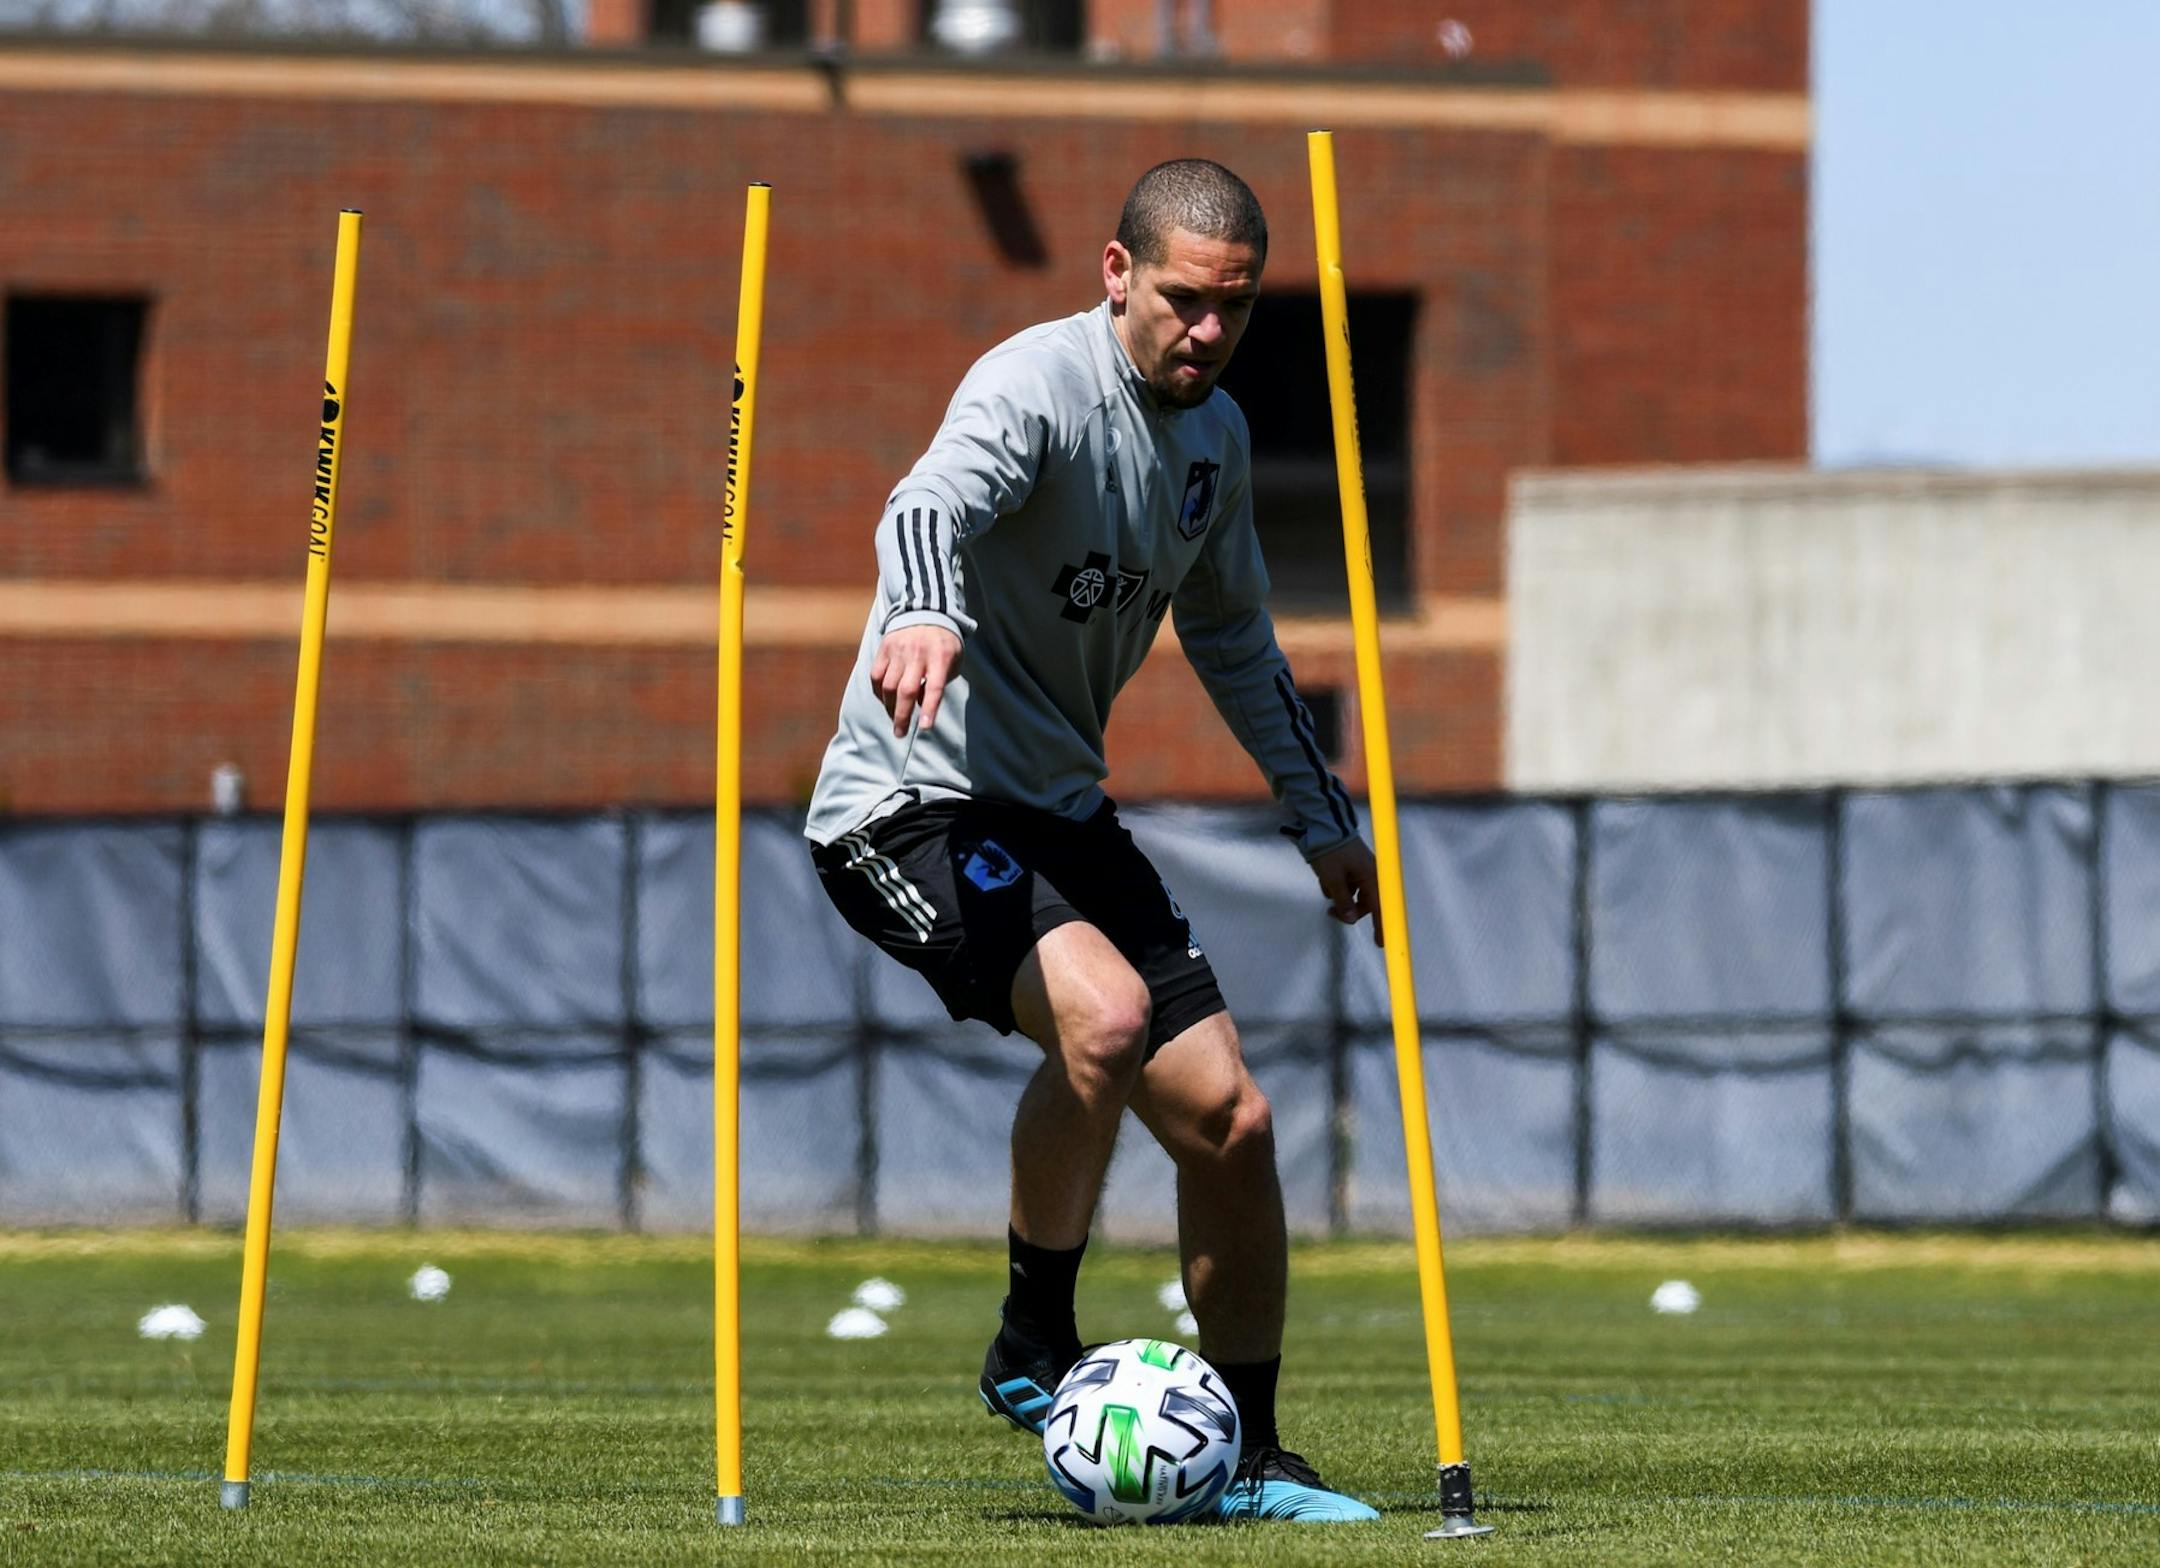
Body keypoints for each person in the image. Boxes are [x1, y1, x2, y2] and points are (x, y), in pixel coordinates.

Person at [804, 158, 1382, 1524]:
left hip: (1060, 811)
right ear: (1117, 273)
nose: (1206, 332)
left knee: (1232, 1120)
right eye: (1183, 300)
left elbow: (1233, 637)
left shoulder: (1218, 442)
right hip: (908, 803)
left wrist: (1319, 814)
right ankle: (1031, 1341)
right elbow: (925, 506)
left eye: (1234, 311)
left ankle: (1247, 1452)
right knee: (1108, 1022)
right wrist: (926, 614)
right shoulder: (1033, 385)